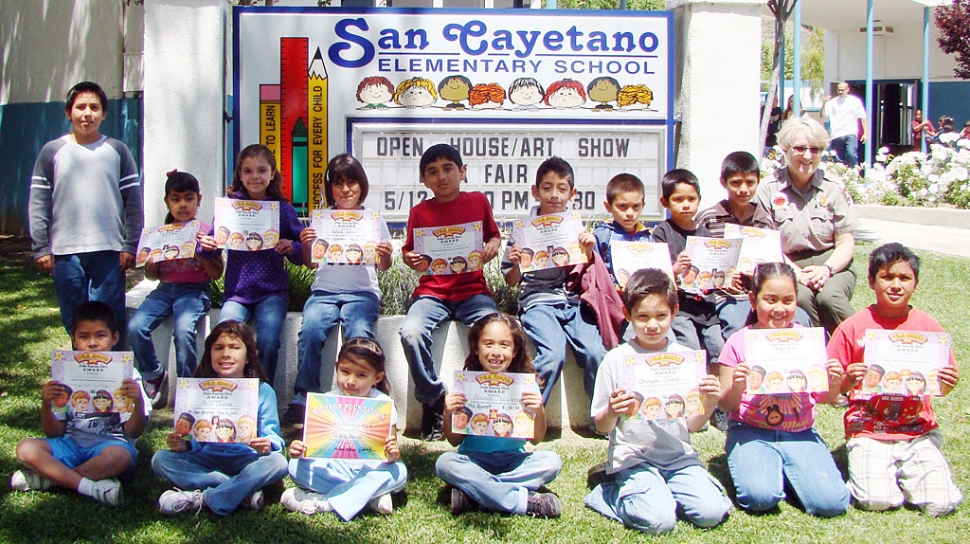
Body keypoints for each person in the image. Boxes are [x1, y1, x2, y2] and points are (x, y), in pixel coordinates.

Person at [585, 268, 731, 534]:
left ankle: (660, 491)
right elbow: (602, 426)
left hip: (678, 457)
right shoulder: (616, 359)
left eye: (661, 316)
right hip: (634, 458)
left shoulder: (686, 358)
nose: (652, 325)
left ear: (674, 312)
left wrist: (709, 402)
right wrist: (612, 411)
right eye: (642, 317)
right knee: (660, 522)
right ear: (627, 315)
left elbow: (694, 425)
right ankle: (606, 493)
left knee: (711, 513)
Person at [828, 243, 962, 516]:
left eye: (904, 278)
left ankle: (910, 468)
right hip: (869, 429)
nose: (896, 285)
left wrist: (948, 382)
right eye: (887, 277)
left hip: (916, 429)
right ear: (871, 281)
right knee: (876, 501)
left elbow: (941, 385)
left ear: (916, 283)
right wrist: (846, 382)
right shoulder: (853, 327)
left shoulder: (929, 328)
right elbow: (829, 391)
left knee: (942, 504)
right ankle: (884, 471)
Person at [717, 262, 849, 517]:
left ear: (797, 301)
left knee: (831, 504)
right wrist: (738, 384)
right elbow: (727, 405)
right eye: (770, 300)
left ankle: (791, 467)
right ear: (753, 301)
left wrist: (834, 382)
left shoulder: (807, 340)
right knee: (760, 499)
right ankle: (768, 465)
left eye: (788, 300)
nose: (779, 309)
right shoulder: (739, 341)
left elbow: (822, 397)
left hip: (800, 431)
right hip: (751, 430)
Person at [28, 81, 143, 345]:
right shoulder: (52, 152)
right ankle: (82, 379)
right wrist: (42, 247)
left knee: (110, 320)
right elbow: (38, 203)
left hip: (109, 251)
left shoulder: (117, 151)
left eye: (94, 107)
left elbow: (133, 204)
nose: (87, 113)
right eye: (80, 107)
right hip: (66, 253)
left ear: (104, 113)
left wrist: (129, 244)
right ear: (69, 112)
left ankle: (116, 380)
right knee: (74, 320)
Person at [399, 143, 501, 440]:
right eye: (432, 171)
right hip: (432, 293)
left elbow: (492, 235)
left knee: (496, 334)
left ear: (462, 172)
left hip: (473, 292)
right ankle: (433, 399)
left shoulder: (478, 202)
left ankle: (486, 401)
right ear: (424, 180)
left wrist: (493, 245)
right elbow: (410, 255)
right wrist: (411, 260)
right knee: (411, 333)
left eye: (448, 169)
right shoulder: (419, 212)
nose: (441, 176)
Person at [283, 154, 393, 424]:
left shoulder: (373, 219)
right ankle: (304, 396)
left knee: (359, 335)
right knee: (310, 329)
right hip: (324, 291)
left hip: (362, 292)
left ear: (362, 185)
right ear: (330, 188)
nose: (345, 190)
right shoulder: (322, 219)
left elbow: (384, 266)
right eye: (339, 184)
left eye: (352, 183)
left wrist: (386, 253)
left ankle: (363, 399)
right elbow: (310, 263)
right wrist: (307, 243)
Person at [11, 302, 150, 507]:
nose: (92, 343)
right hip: (71, 444)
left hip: (110, 445)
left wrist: (137, 402)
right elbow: (54, 433)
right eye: (84, 337)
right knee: (26, 448)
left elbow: (134, 431)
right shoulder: (65, 374)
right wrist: (46, 404)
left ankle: (51, 479)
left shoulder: (129, 375)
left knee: (119, 457)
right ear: (74, 340)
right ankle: (90, 486)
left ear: (115, 338)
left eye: (100, 335)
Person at [151, 320, 288, 516]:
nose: (226, 354)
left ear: (248, 356)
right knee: (160, 459)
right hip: (206, 461)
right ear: (210, 354)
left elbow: (273, 437)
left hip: (246, 461)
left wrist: (267, 444)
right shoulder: (197, 389)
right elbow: (195, 438)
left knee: (278, 462)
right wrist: (185, 445)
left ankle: (205, 499)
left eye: (234, 347)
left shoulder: (263, 391)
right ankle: (239, 490)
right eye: (218, 348)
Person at [436, 313, 563, 518]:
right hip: (473, 460)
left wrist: (539, 411)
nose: (496, 352)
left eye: (504, 345)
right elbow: (453, 440)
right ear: (476, 348)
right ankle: (521, 500)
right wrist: (449, 411)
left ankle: (476, 493)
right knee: (445, 463)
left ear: (514, 351)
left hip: (514, 461)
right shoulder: (465, 386)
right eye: (488, 344)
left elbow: (537, 439)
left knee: (551, 462)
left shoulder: (527, 388)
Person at [503, 157, 605, 404]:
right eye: (547, 188)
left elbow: (589, 273)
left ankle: (599, 418)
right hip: (538, 302)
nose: (554, 195)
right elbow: (510, 281)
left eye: (562, 188)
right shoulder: (522, 230)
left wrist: (589, 250)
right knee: (553, 355)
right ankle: (528, 415)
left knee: (596, 352)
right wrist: (516, 262)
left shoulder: (575, 229)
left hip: (573, 302)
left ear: (572, 194)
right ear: (535, 192)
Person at [755, 117, 859, 336]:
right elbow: (766, 243)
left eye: (816, 149)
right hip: (785, 263)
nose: (808, 156)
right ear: (785, 149)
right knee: (799, 297)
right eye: (800, 148)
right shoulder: (768, 189)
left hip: (831, 263)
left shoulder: (834, 188)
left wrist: (827, 269)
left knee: (830, 298)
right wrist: (796, 273)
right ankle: (817, 350)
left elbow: (845, 241)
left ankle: (860, 347)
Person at [283, 338, 407, 520]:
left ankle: (325, 502)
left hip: (369, 468)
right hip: (335, 467)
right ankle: (368, 498)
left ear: (377, 378)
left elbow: (391, 454)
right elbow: (312, 447)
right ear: (336, 367)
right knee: (295, 466)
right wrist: (300, 451)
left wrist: (393, 454)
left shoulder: (384, 405)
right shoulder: (326, 401)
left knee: (399, 472)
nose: (350, 381)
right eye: (345, 372)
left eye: (361, 375)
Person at [127, 170, 224, 403]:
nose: (182, 205)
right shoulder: (160, 234)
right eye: (176, 199)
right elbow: (152, 276)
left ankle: (187, 387)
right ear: (167, 202)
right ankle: (153, 373)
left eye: (189, 199)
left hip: (194, 291)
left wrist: (204, 256)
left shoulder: (205, 232)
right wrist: (151, 264)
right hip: (164, 290)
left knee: (183, 331)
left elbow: (217, 273)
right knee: (135, 326)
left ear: (199, 200)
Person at [696, 151, 811, 340]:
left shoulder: (764, 220)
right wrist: (722, 279)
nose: (743, 189)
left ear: (758, 182)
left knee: (801, 319)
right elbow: (698, 267)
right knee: (737, 325)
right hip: (725, 297)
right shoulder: (709, 219)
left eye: (750, 182)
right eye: (735, 183)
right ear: (723, 182)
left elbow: (774, 265)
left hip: (763, 295)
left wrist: (758, 274)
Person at [218, 144, 305, 384]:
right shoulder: (230, 207)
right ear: (239, 175)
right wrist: (205, 243)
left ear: (272, 173)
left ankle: (262, 391)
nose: (255, 176)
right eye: (247, 171)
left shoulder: (283, 209)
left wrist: (292, 247)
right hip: (237, 293)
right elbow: (213, 242)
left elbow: (302, 252)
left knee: (268, 340)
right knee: (224, 336)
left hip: (271, 293)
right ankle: (229, 391)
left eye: (261, 170)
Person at [651, 169, 723, 366]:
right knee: (691, 347)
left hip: (706, 307)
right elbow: (657, 274)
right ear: (665, 202)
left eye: (691, 199)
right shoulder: (662, 233)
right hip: (680, 306)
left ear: (699, 200)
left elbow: (715, 273)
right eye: (678, 199)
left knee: (719, 349)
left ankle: (717, 393)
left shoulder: (705, 235)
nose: (685, 205)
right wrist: (674, 268)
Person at [593, 173, 652, 293]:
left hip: (642, 297)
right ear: (608, 206)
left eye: (636, 206)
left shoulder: (647, 237)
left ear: (643, 205)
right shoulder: (603, 235)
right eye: (622, 206)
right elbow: (595, 269)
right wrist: (612, 285)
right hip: (611, 295)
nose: (630, 213)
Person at [821, 81, 868, 167]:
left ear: (847, 90)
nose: (840, 92)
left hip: (850, 132)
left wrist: (865, 133)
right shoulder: (832, 102)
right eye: (839, 90)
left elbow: (863, 117)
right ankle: (840, 176)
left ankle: (853, 171)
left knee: (851, 153)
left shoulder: (855, 101)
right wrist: (824, 103)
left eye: (842, 90)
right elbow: (823, 115)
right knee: (838, 159)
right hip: (836, 134)